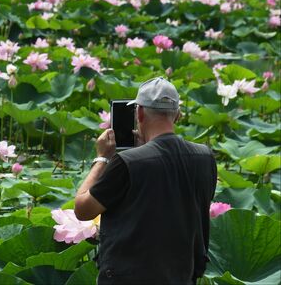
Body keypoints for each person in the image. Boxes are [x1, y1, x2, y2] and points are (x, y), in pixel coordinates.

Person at [74, 77, 217, 284]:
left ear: (139, 113)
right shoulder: (205, 157)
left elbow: (83, 209)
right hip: (182, 275)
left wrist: (102, 158)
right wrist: (145, 150)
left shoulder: (126, 162)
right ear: (177, 115)